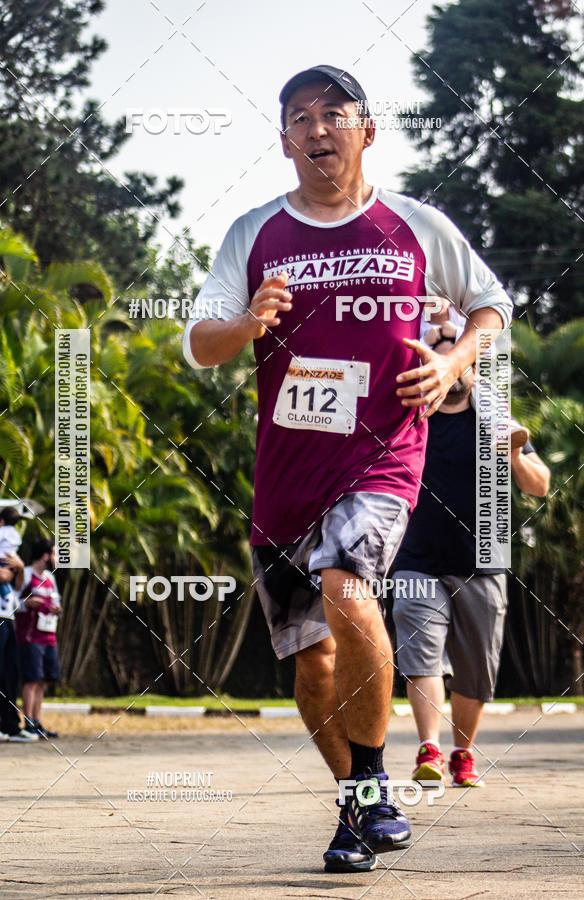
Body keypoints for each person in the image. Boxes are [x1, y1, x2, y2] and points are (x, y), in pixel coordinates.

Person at [183, 64, 512, 872]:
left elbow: (490, 303)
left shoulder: (415, 223)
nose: (319, 128)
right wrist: (247, 322)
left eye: (337, 113)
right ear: (285, 139)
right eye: (302, 116)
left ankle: (372, 779)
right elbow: (197, 344)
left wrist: (452, 365)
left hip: (383, 458)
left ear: (369, 130)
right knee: (310, 659)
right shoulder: (256, 233)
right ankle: (356, 802)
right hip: (286, 474)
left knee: (346, 584)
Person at [392, 321, 550, 787]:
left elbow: (538, 486)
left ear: (471, 364)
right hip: (415, 559)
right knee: (420, 657)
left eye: (454, 353)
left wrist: (515, 456)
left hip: (483, 561)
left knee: (475, 668)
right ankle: (430, 749)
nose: (445, 362)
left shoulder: (496, 420)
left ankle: (462, 752)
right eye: (434, 352)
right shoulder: (407, 418)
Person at [0, 503, 37, 741]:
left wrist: (18, 570)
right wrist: (15, 569)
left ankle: (10, 724)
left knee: (10, 672)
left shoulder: (1, 542)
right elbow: (1, 575)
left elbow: (18, 583)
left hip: (7, 614)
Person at [15, 538, 62, 739]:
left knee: (43, 680)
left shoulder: (50, 578)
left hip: (49, 636)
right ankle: (28, 723)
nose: (57, 558)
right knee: (31, 679)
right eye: (54, 553)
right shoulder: (25, 574)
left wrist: (57, 609)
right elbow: (12, 601)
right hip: (30, 636)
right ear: (45, 556)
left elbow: (57, 602)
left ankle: (38, 721)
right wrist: (27, 603)